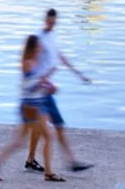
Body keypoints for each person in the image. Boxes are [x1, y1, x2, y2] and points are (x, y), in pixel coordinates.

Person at [0, 36, 63, 182]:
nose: (41, 49)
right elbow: (32, 85)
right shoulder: (28, 63)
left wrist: (49, 85)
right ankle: (48, 172)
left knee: (19, 142)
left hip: (33, 105)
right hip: (31, 107)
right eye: (39, 47)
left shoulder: (34, 63)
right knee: (48, 136)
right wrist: (46, 80)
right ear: (33, 48)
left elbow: (38, 82)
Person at [25, 9, 93, 174]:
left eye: (54, 22)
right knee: (48, 128)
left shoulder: (52, 37)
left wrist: (77, 73)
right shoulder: (38, 38)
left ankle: (34, 160)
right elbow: (32, 64)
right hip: (39, 91)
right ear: (45, 20)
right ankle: (63, 163)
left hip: (45, 90)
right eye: (49, 21)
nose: (51, 24)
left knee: (51, 126)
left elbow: (60, 56)